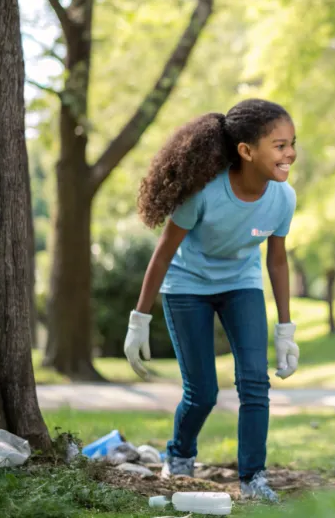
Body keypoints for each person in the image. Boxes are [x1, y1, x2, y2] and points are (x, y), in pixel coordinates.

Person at [124, 99, 299, 501]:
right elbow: (164, 252)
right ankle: (180, 454)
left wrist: (285, 329)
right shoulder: (204, 192)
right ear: (246, 150)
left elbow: (277, 260)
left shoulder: (283, 198)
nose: (290, 153)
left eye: (292, 143)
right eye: (279, 145)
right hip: (187, 286)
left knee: (255, 382)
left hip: (241, 283)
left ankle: (253, 478)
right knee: (202, 393)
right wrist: (139, 320)